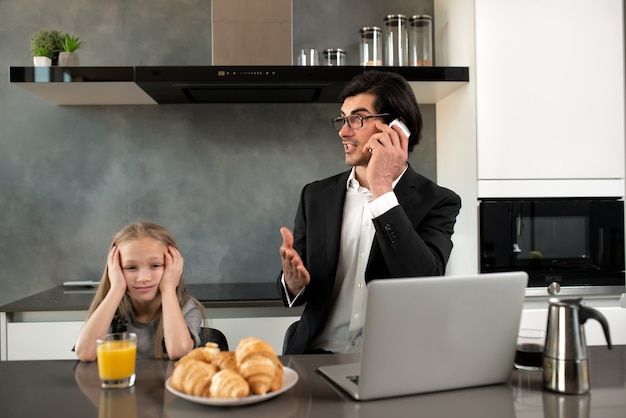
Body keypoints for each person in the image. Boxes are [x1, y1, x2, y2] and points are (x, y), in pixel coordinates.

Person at [278, 70, 462, 355]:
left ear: (397, 129)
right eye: (343, 117)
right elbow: (300, 284)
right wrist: (293, 284)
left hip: (392, 362)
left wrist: (381, 188)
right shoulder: (315, 196)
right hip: (315, 358)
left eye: (358, 118)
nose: (343, 131)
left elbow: (423, 281)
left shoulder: (439, 201)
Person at [74, 221, 205, 361]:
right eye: (131, 267)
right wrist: (116, 288)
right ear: (116, 268)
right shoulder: (113, 308)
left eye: (155, 265)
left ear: (173, 265)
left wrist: (168, 288)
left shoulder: (186, 307)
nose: (143, 278)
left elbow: (178, 352)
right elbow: (85, 353)